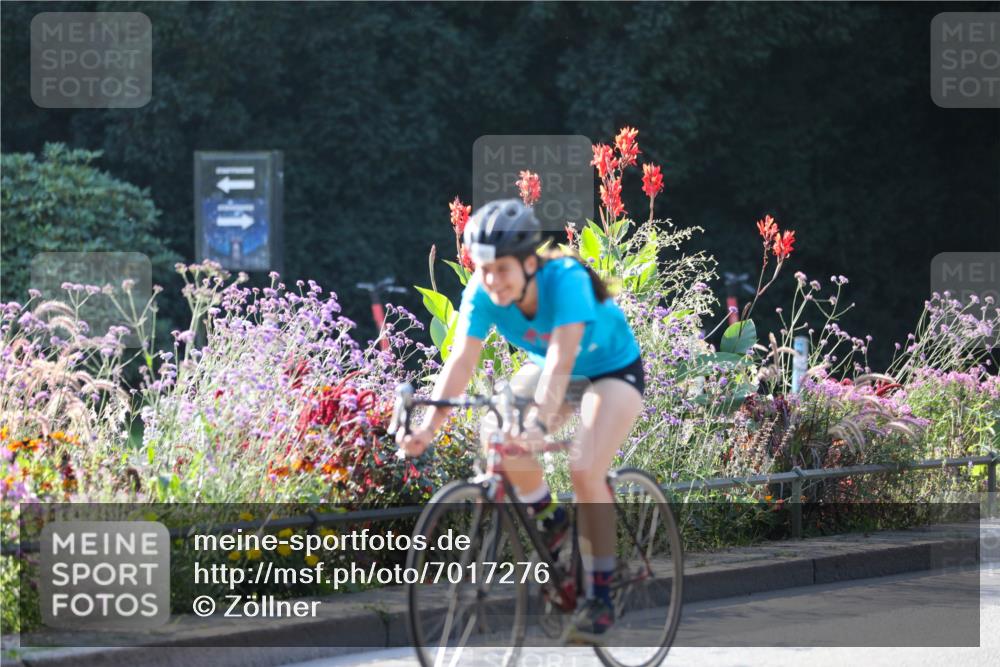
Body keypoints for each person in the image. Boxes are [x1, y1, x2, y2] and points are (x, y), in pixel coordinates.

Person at [396, 198, 645, 643]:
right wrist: (429, 427)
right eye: (484, 269)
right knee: (496, 431)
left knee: (584, 468)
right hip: (549, 368)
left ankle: (600, 595)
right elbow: (461, 361)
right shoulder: (482, 291)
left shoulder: (565, 280)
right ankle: (552, 520)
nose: (492, 280)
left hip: (610, 370)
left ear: (530, 263)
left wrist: (538, 425)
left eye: (502, 269)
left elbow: (562, 359)